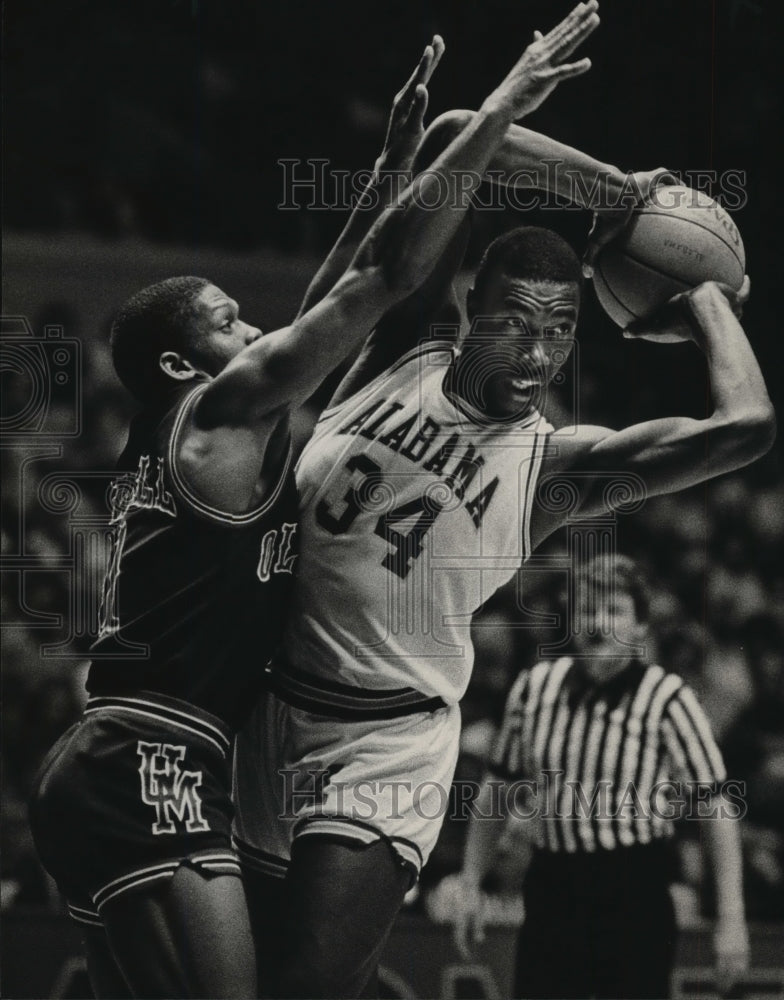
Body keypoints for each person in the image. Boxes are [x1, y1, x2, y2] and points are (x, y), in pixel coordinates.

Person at [232, 2, 775, 997]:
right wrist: (622, 196)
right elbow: (454, 140)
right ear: (470, 309)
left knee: (301, 986)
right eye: (515, 325)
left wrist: (700, 292)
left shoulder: (554, 467)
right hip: (262, 703)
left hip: (383, 740)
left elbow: (745, 428)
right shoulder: (404, 348)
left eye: (560, 333)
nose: (535, 355)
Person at [26, 24, 536, 996]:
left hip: (131, 756)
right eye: (228, 319)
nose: (257, 326)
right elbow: (381, 285)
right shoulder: (215, 414)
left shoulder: (215, 429)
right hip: (149, 754)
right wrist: (495, 118)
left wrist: (388, 170)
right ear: (181, 363)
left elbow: (324, 299)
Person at [452, 554, 751, 999]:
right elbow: (498, 789)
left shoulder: (667, 697)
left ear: (640, 628)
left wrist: (731, 917)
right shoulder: (535, 687)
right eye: (588, 610)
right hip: (554, 886)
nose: (597, 623)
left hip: (634, 889)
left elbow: (715, 805)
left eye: (613, 611)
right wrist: (471, 882)